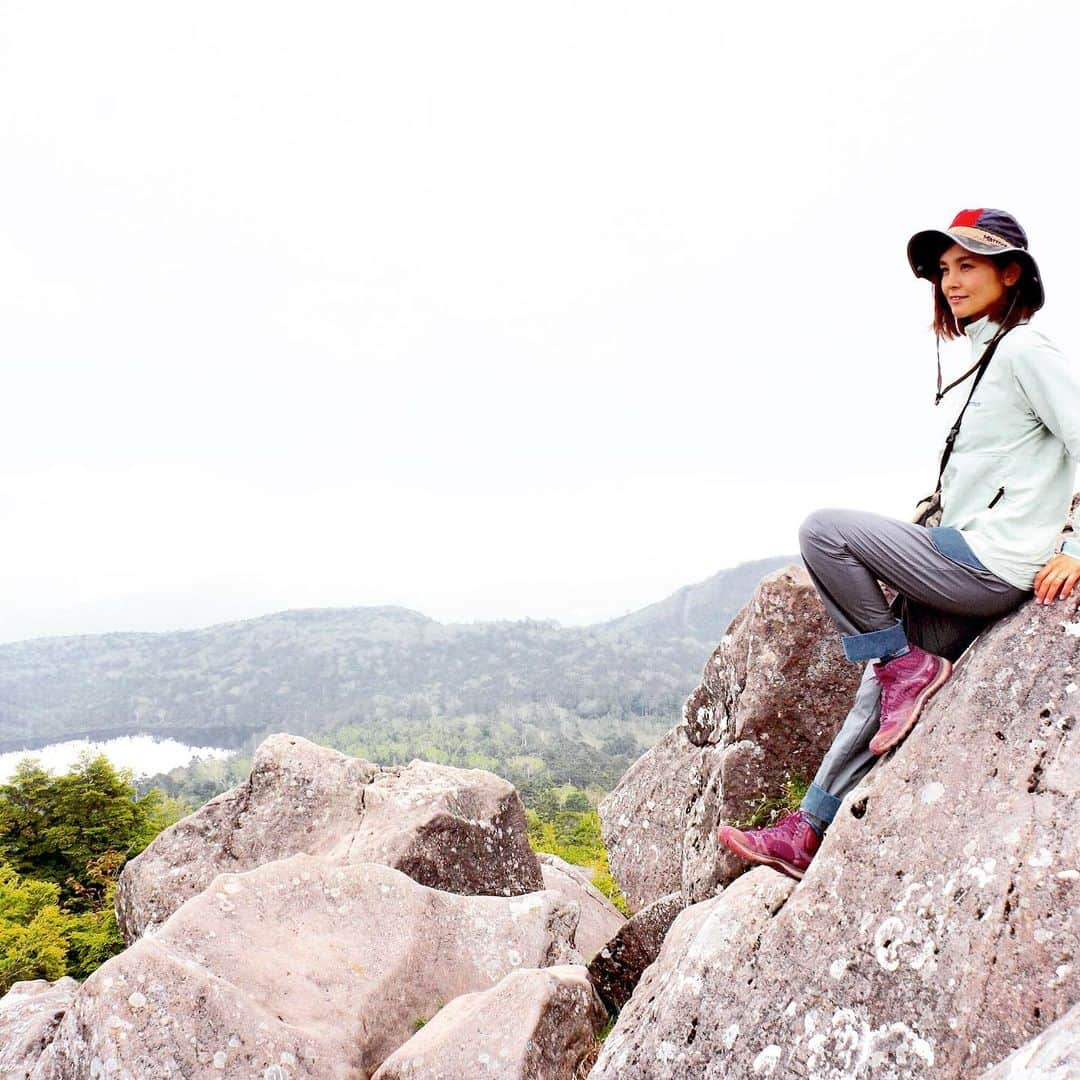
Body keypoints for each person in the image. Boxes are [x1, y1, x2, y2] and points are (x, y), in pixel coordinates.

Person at [717, 208, 1080, 881]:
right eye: (944, 269)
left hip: (993, 561)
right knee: (878, 691)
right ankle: (808, 829)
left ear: (1011, 272)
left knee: (824, 531)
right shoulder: (982, 355)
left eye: (968, 265)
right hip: (971, 553)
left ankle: (903, 667)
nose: (951, 280)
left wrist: (1077, 547)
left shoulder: (1027, 350)